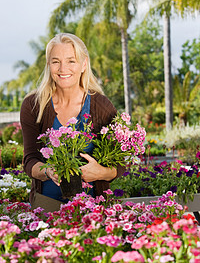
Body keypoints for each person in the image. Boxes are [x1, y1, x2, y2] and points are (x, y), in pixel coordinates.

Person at [20, 33, 125, 207]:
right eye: (56, 61)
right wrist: (47, 171)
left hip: (94, 209)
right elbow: (30, 160)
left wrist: (100, 172)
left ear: (84, 64)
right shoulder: (33, 105)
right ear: (48, 65)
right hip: (46, 206)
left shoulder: (101, 106)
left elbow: (121, 165)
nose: (63, 69)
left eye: (71, 61)